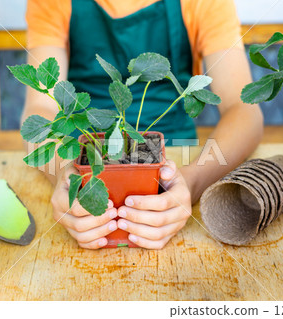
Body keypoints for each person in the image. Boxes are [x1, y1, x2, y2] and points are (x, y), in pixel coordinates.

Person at [22, 0, 264, 249]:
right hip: (83, 160)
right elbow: (40, 110)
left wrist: (190, 183)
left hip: (176, 157)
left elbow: (244, 112)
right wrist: (64, 176)